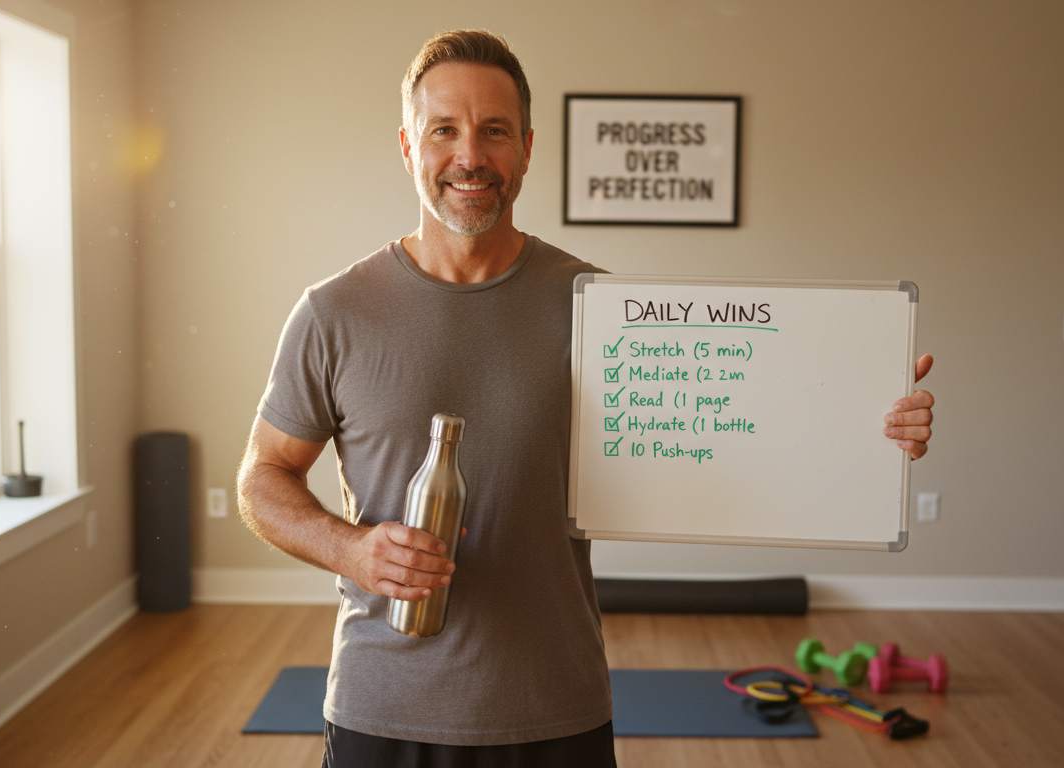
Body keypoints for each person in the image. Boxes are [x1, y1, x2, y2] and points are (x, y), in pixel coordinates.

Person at [235, 29, 935, 768]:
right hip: (385, 707)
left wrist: (871, 424)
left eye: (494, 131)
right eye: (444, 130)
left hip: (554, 709)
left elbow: (737, 435)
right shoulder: (334, 312)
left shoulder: (600, 312)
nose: (470, 155)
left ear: (528, 149)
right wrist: (350, 549)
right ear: (409, 147)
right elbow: (261, 480)